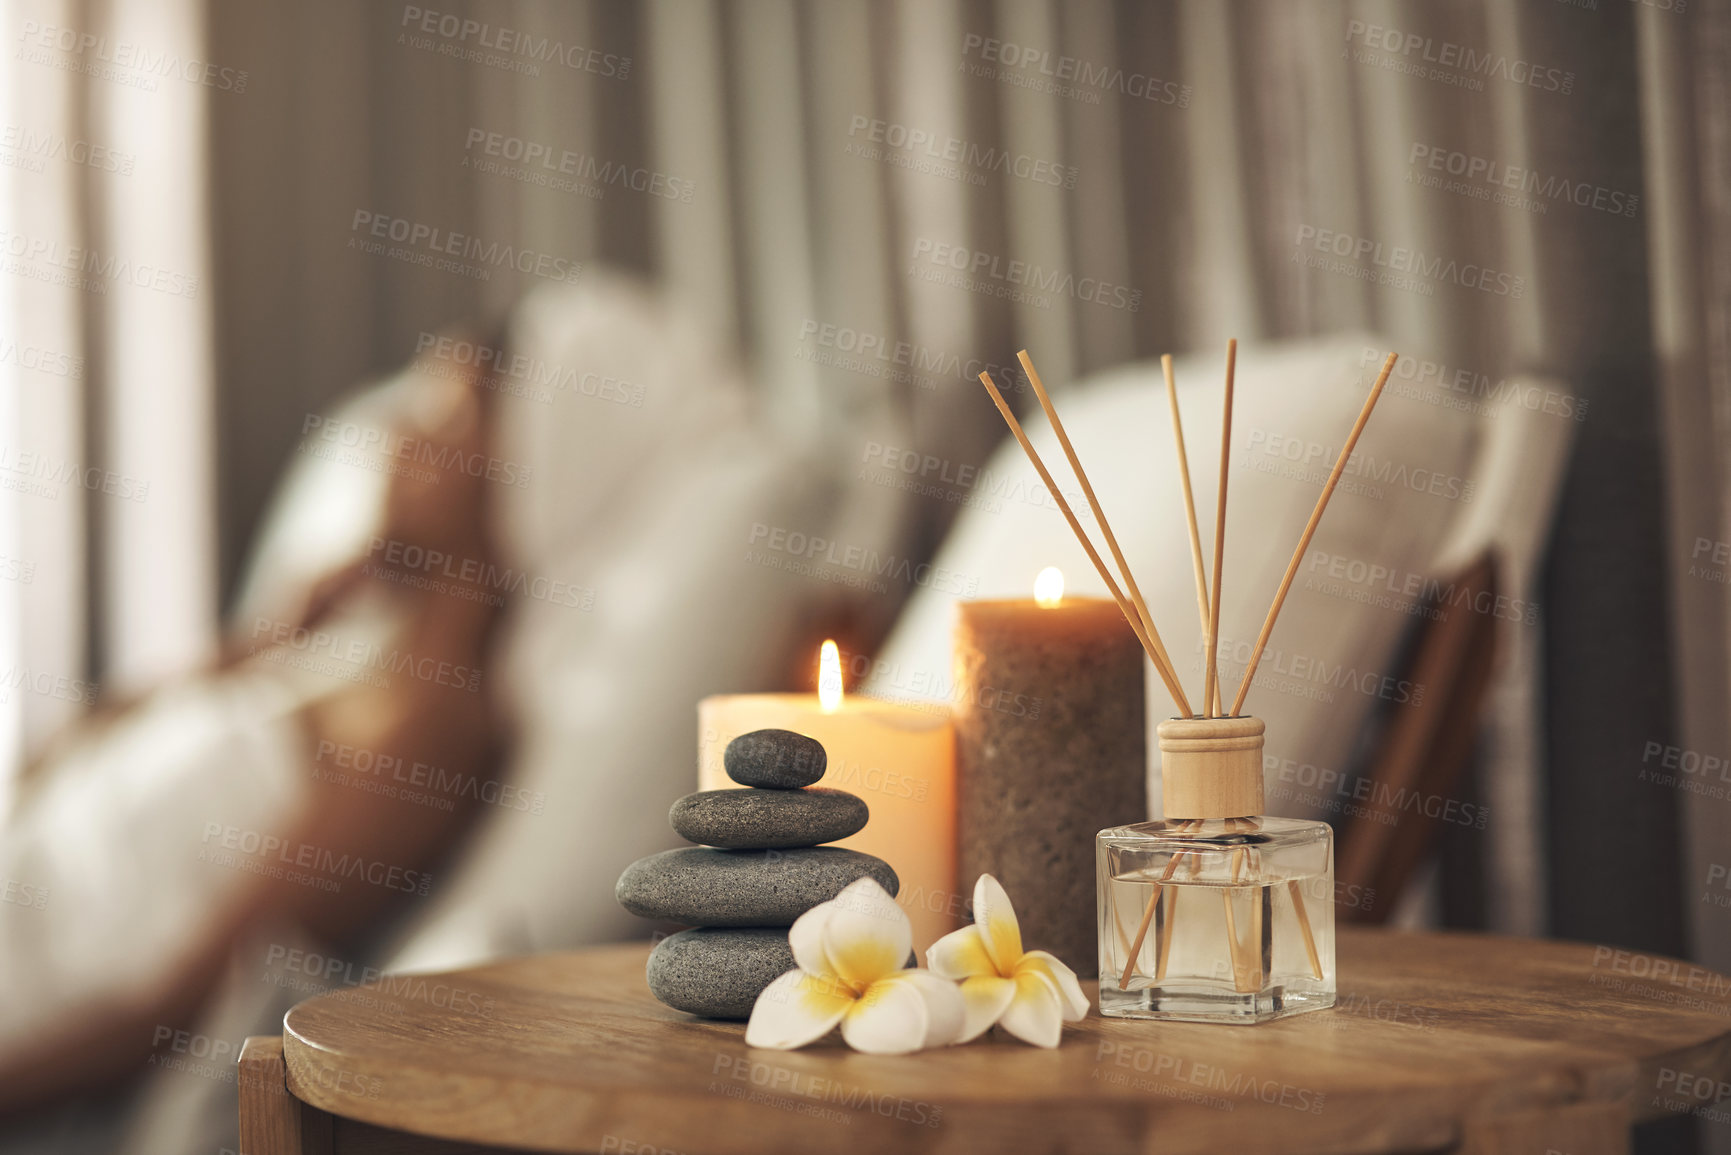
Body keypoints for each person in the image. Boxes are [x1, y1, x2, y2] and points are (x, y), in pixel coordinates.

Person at [0, 271, 911, 1153]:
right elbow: (67, 754)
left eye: (443, 417)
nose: (398, 434)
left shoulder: (429, 734)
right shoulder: (337, 643)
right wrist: (275, 635)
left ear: (525, 470)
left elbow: (181, 1003)